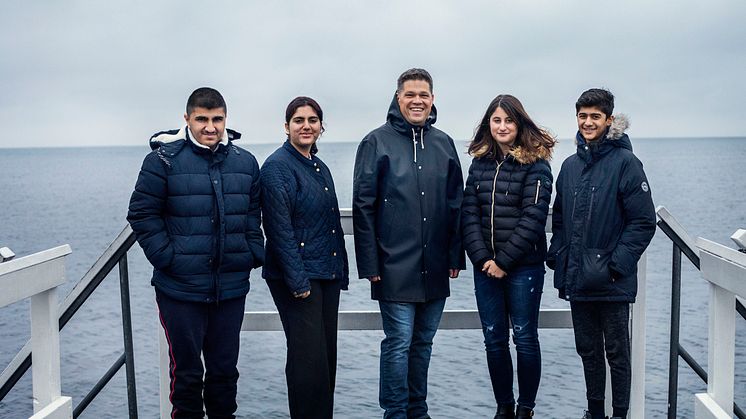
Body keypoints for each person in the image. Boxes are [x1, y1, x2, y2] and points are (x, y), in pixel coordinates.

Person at [127, 87, 264, 418]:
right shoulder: (162, 161)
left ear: (225, 119)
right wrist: (167, 258)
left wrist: (252, 252)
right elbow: (142, 214)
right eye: (202, 119)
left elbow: (251, 214)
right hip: (180, 290)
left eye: (217, 119)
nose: (210, 127)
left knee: (224, 375)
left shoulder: (245, 163)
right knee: (187, 377)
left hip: (230, 288)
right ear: (187, 119)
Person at [353, 68, 465, 419]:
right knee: (398, 343)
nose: (417, 101)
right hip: (392, 266)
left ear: (432, 99)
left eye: (424, 95)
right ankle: (396, 413)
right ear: (398, 97)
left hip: (435, 266)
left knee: (423, 344)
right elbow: (363, 206)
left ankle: (419, 411)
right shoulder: (376, 142)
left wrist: (455, 256)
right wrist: (369, 265)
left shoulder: (444, 143)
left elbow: (456, 203)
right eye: (410, 95)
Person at [547, 88, 656, 419]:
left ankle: (619, 415)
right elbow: (562, 219)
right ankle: (595, 412)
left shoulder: (626, 163)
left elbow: (643, 222)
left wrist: (616, 266)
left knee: (617, 353)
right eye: (583, 116)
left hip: (611, 279)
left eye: (595, 116)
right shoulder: (569, 167)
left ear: (609, 120)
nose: (588, 122)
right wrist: (559, 255)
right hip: (578, 275)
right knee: (588, 351)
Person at [462, 94, 555, 419]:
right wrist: (481, 259)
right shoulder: (480, 163)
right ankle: (504, 407)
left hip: (523, 268)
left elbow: (534, 218)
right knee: (494, 339)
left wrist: (503, 262)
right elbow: (468, 213)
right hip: (484, 267)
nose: (502, 126)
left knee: (525, 337)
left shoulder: (537, 164)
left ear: (519, 124)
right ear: (489, 124)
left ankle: (525, 409)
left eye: (508, 120)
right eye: (496, 120)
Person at [260, 96, 348, 419]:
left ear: (321, 127)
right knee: (307, 363)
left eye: (313, 120)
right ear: (286, 127)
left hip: (326, 274)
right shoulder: (276, 167)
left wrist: (342, 270)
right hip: (296, 279)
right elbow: (278, 228)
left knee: (326, 361)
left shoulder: (319, 166)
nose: (306, 125)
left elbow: (331, 223)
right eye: (299, 120)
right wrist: (298, 282)